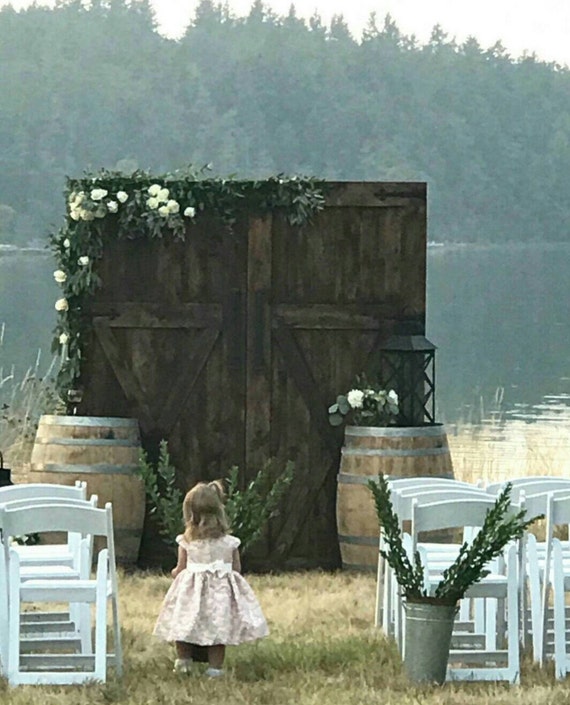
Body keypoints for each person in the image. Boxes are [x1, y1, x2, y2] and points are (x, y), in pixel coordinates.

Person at [153, 480, 269, 677]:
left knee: (184, 627)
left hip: (191, 595)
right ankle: (215, 669)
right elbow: (236, 569)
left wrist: (176, 574)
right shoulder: (230, 543)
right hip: (219, 598)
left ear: (190, 515)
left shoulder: (187, 542)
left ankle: (183, 662)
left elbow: (180, 569)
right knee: (218, 632)